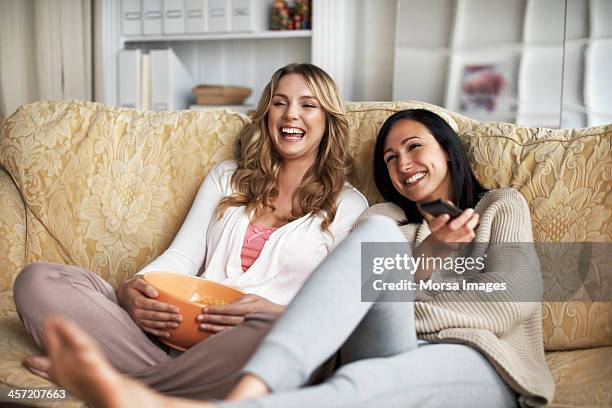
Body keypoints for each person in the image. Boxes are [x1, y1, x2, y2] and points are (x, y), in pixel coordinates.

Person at [39, 109, 555, 407]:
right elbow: (366, 301)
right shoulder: (387, 222)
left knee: (363, 388)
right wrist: (423, 260)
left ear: (447, 151)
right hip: (385, 343)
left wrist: (408, 289)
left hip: (477, 357)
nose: (403, 164)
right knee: (374, 239)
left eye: (415, 148)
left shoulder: (497, 208)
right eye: (390, 158)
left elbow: (505, 305)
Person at [12, 63, 368, 398]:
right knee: (38, 280)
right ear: (267, 115)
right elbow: (182, 256)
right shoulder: (227, 177)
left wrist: (273, 312)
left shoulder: (350, 206)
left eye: (308, 105)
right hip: (180, 330)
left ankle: (105, 381)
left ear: (328, 120)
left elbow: (335, 307)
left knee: (288, 337)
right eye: (280, 103)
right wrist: (132, 291)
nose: (291, 113)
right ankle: (157, 381)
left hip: (254, 341)